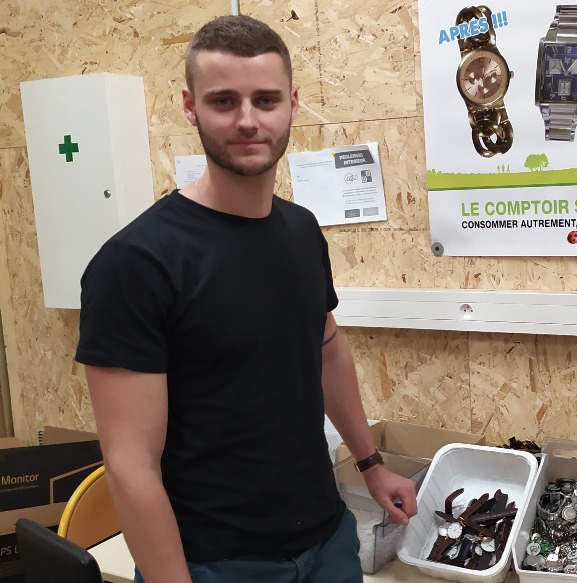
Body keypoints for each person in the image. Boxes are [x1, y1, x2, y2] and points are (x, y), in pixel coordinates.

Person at [75, 14, 417, 583]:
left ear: (292, 105)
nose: (247, 120)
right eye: (223, 101)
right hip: (214, 563)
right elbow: (131, 467)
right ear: (190, 107)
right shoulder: (136, 263)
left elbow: (327, 350)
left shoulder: (301, 231)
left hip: (327, 541)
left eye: (265, 100)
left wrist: (372, 464)